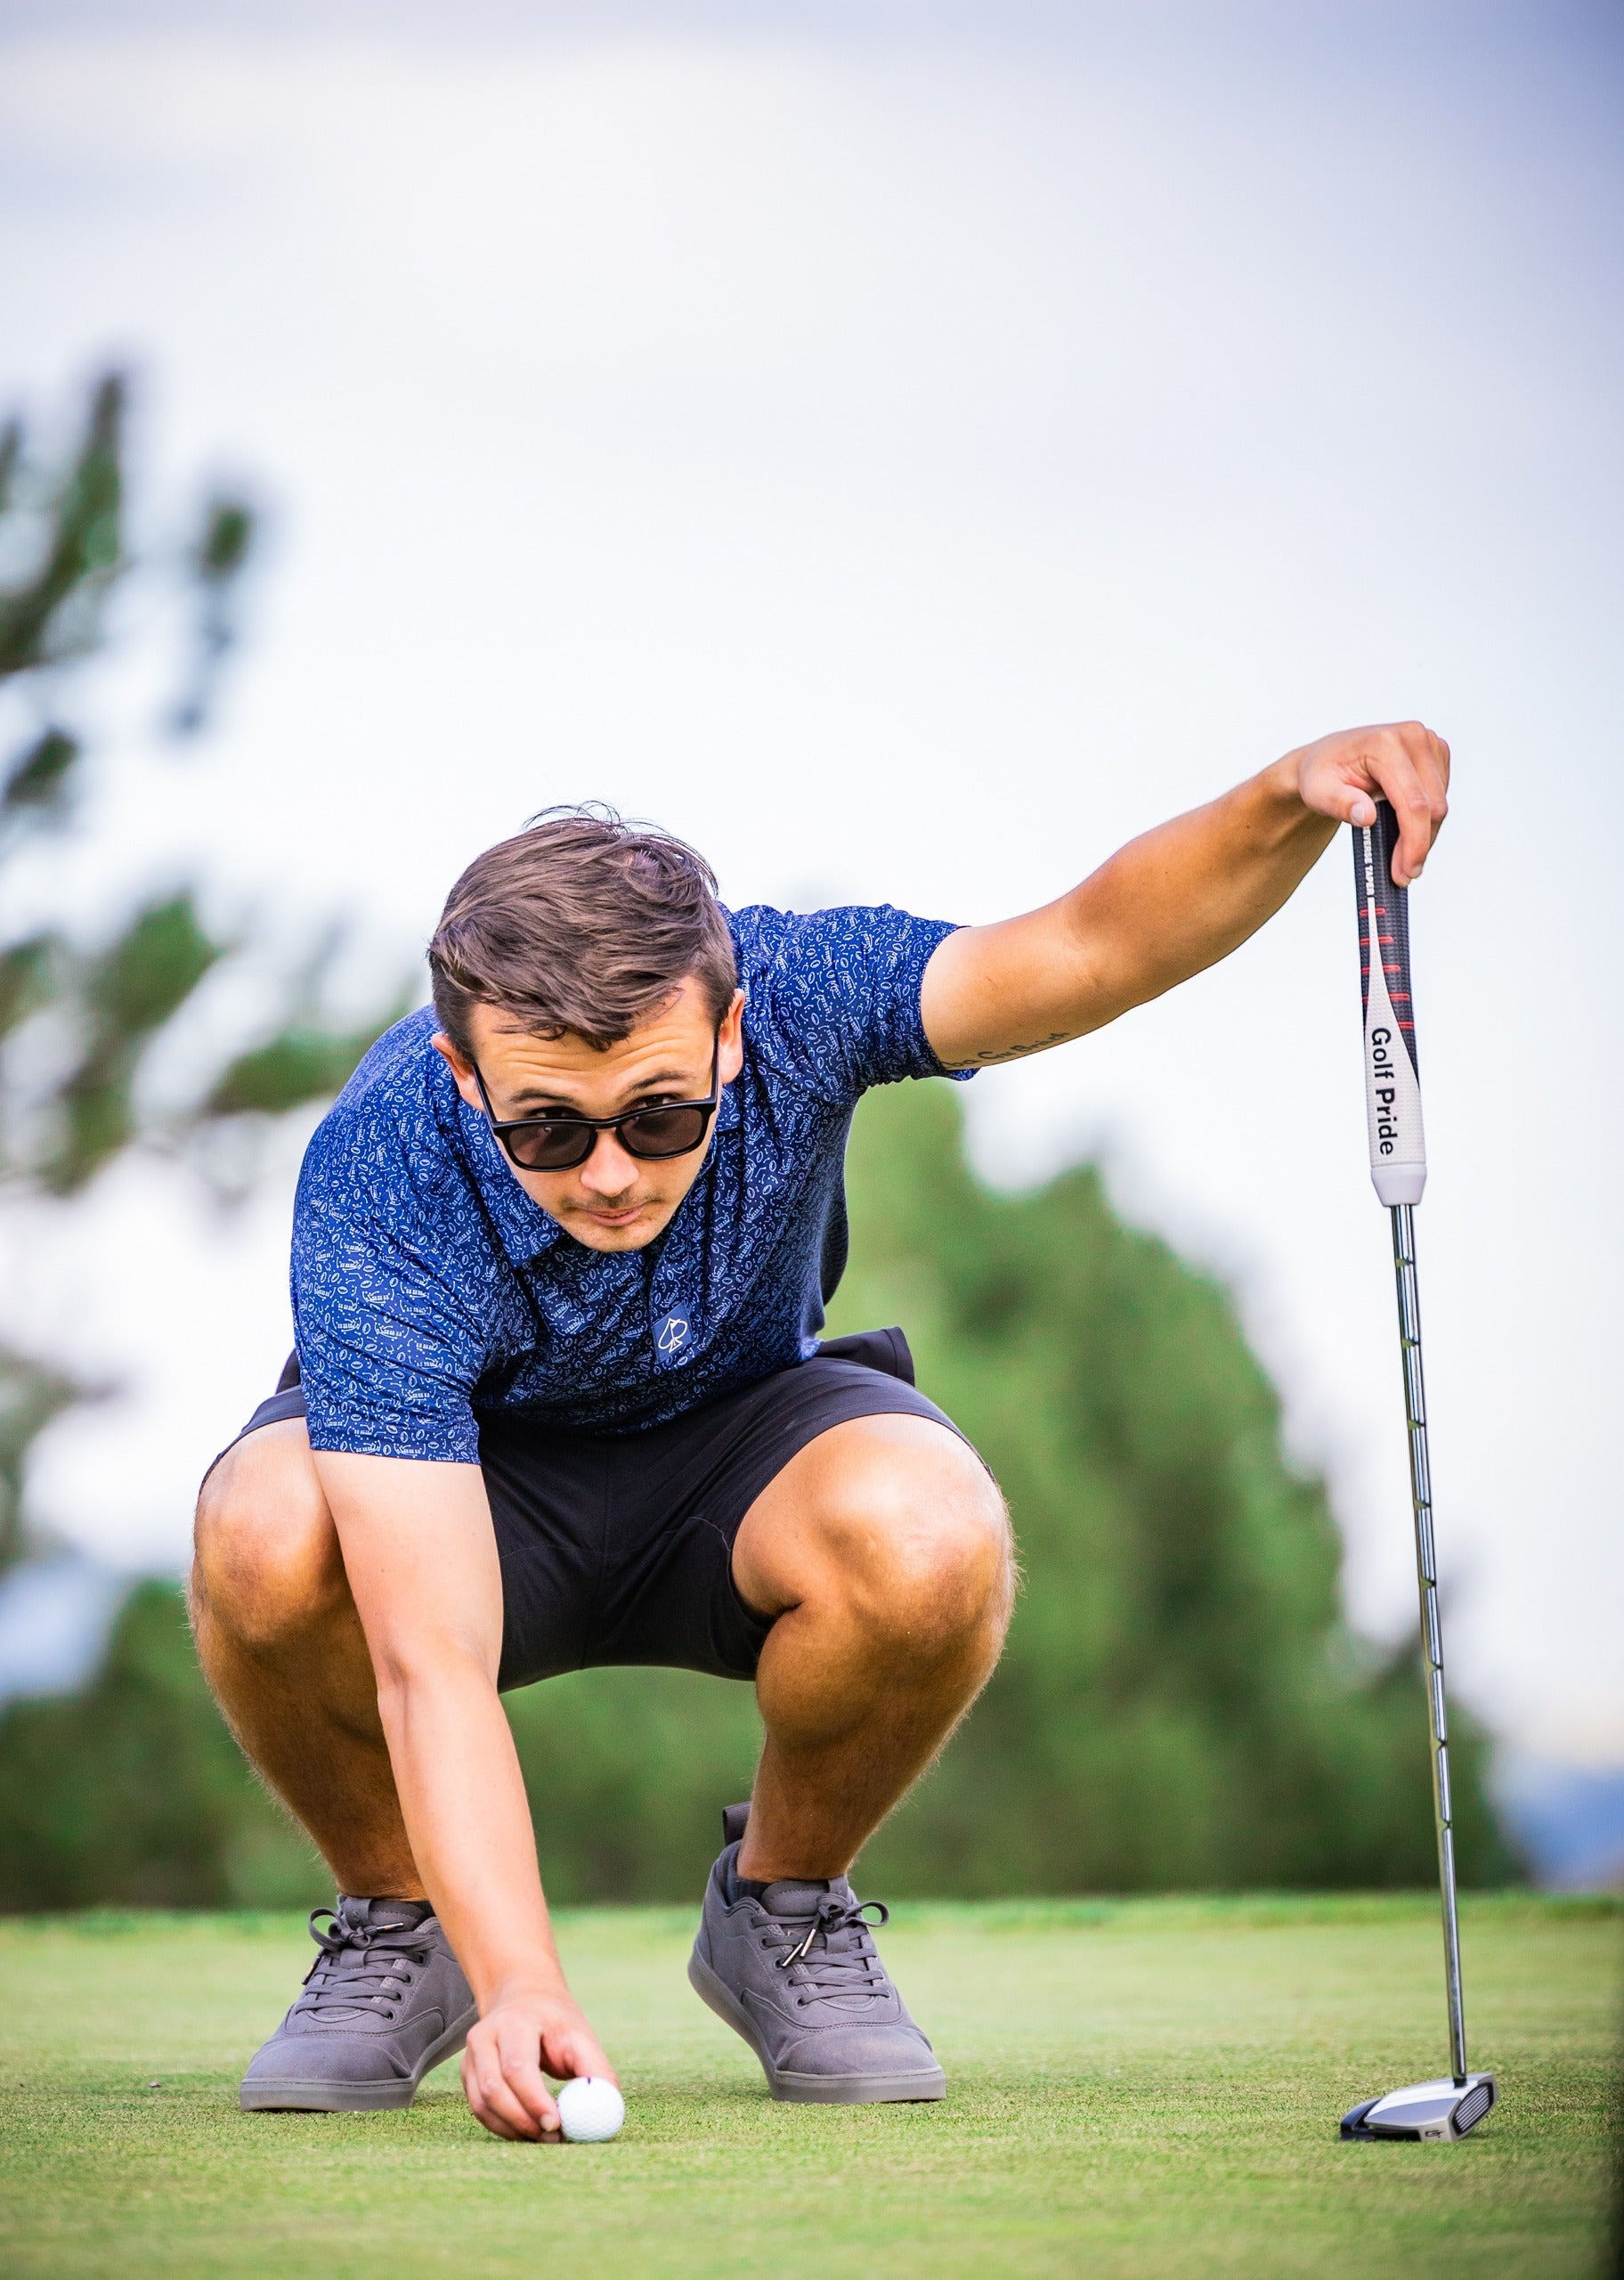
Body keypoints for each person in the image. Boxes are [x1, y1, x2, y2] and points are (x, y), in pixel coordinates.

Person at [190, 725, 1449, 2141]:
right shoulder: (380, 1162)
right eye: (549, 1131)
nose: (610, 1176)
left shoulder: (800, 991)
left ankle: (780, 1908)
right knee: (263, 1529)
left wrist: (1284, 801)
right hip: (470, 1480)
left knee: (932, 1527)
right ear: (465, 1075)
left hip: (739, 1447)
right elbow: (430, 1665)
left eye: (660, 1116)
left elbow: (1087, 950)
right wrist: (520, 1981)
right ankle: (399, 1926)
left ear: (730, 1033)